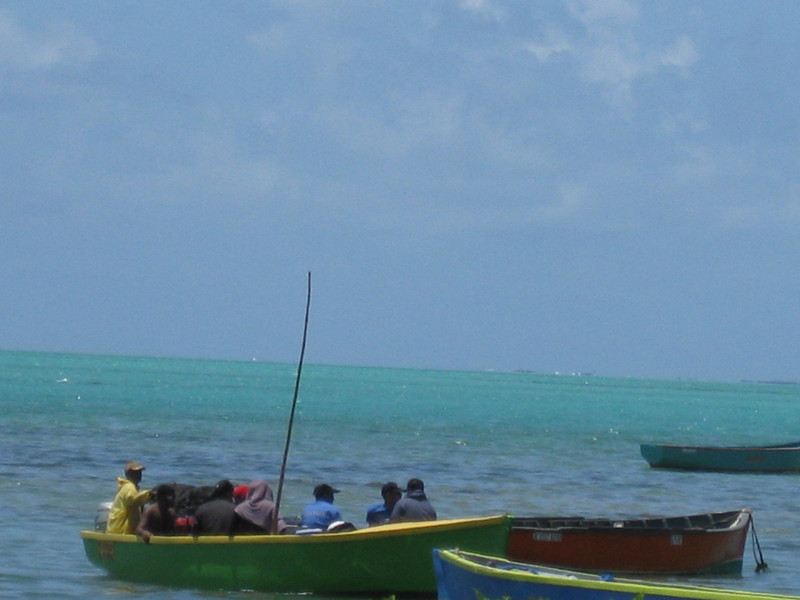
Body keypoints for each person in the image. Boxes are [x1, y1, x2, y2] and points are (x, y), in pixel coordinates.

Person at [106, 461, 153, 534]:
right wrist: (150, 494)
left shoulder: (131, 488)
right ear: (128, 474)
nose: (138, 474)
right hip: (121, 532)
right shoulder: (129, 487)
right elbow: (134, 500)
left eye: (139, 472)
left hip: (118, 531)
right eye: (135, 472)